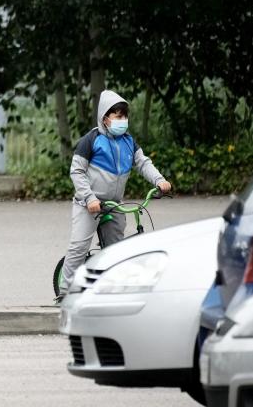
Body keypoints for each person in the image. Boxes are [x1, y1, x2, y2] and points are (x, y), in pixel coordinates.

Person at [58, 90, 172, 298]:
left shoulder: (129, 141)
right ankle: (64, 293)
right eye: (118, 116)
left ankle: (109, 292)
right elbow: (77, 171)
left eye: (125, 116)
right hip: (88, 204)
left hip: (114, 203)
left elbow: (143, 163)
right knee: (79, 246)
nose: (123, 120)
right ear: (105, 118)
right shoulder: (91, 140)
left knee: (116, 251)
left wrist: (159, 180)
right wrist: (89, 198)